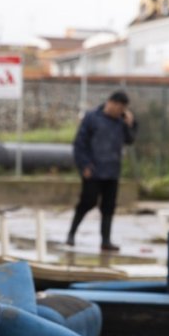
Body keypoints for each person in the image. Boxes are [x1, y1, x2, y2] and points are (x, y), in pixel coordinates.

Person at [66, 90, 137, 251]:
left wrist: (130, 124)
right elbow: (79, 144)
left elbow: (130, 140)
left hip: (112, 170)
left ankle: (106, 241)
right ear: (111, 103)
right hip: (93, 170)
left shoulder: (121, 122)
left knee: (109, 206)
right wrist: (84, 165)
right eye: (120, 108)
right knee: (87, 202)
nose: (120, 112)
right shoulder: (92, 118)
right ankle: (71, 234)